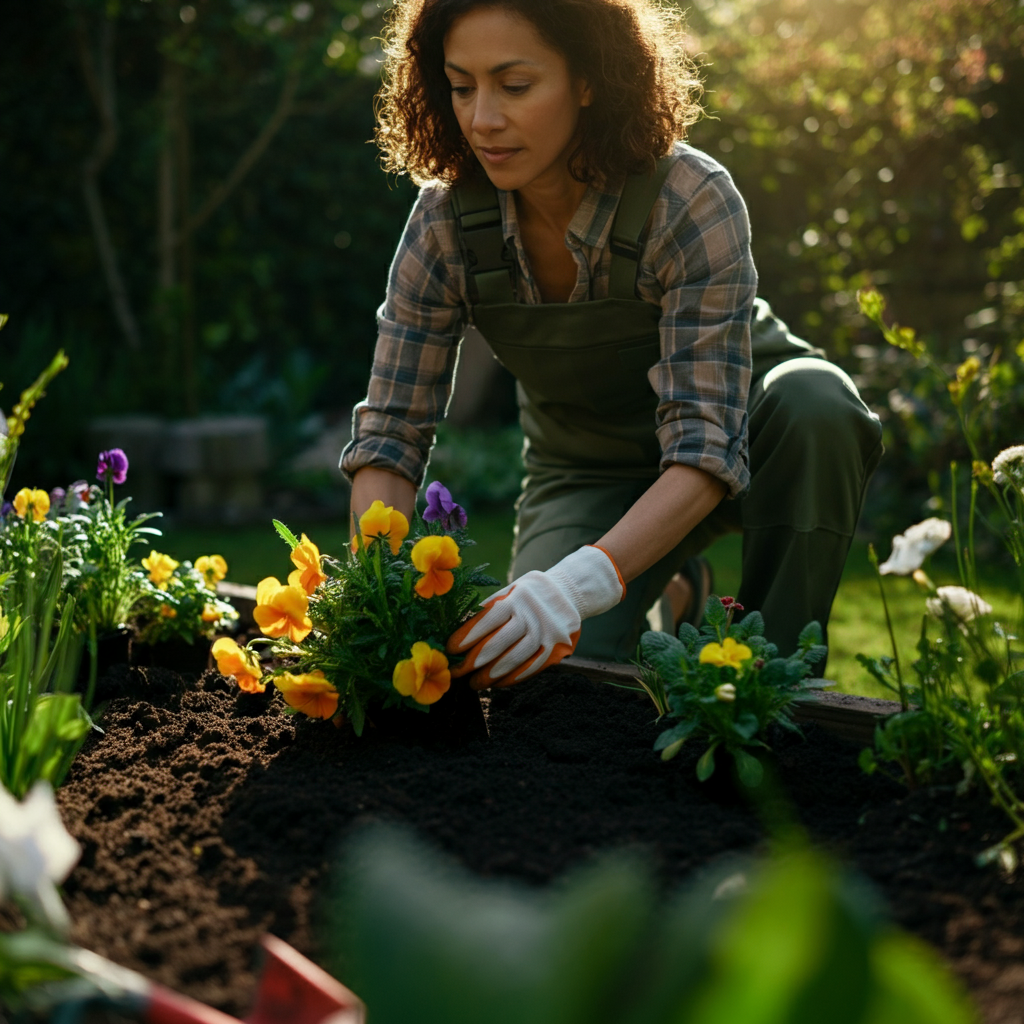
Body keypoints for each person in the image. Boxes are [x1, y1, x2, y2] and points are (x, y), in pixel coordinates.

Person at [341, 0, 882, 689]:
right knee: (542, 682)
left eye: (514, 86)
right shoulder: (445, 222)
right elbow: (391, 431)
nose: (482, 118)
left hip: (744, 434)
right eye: (461, 85)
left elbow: (705, 443)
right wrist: (375, 596)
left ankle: (768, 684)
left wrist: (575, 586)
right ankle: (677, 588)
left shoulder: (688, 199)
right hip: (588, 469)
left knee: (817, 402)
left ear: (589, 79)